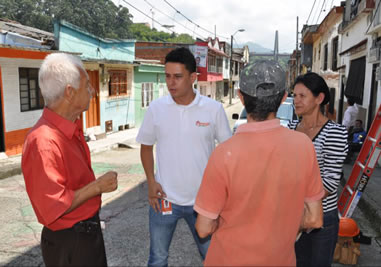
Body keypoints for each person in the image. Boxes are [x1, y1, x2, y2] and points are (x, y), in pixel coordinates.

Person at [194, 60, 324, 266]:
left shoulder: (225, 153)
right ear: (283, 98)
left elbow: (203, 228)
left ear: (241, 97)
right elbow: (314, 218)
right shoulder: (303, 145)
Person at [136, 47, 231, 266]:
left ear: (193, 77)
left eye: (177, 77)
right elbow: (146, 146)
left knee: (213, 258)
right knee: (157, 258)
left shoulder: (213, 109)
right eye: (168, 76)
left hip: (203, 203)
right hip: (165, 200)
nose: (171, 83)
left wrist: (223, 193)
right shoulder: (156, 108)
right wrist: (151, 182)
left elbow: (227, 152)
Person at [22, 53, 118, 266]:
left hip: (84, 233)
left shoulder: (69, 127)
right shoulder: (44, 141)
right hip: (70, 241)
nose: (92, 92)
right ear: (70, 92)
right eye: (87, 87)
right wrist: (98, 186)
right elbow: (53, 207)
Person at [290, 72, 348, 267]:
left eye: (302, 96)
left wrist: (301, 203)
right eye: (294, 95)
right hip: (291, 214)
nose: (296, 101)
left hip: (322, 217)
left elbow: (331, 182)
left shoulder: (335, 133)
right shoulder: (290, 128)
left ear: (319, 98)